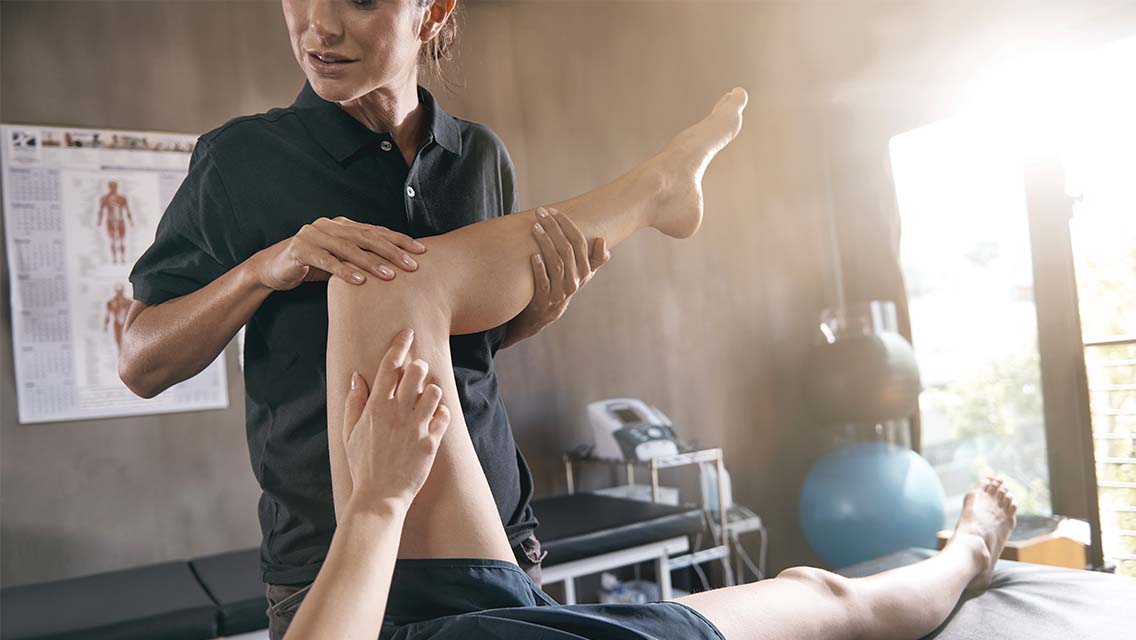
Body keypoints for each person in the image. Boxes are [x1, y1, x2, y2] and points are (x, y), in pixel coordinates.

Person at [297, 85, 1017, 640]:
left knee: (372, 285)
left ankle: (661, 189)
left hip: (394, 616)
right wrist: (379, 500)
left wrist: (380, 505)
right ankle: (970, 556)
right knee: (827, 596)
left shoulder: (473, 154)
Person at [121, 2, 604, 635]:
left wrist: (536, 313)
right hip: (331, 562)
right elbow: (140, 361)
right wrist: (262, 269)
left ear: (432, 13)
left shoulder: (480, 156)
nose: (319, 26)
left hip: (497, 541)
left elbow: (464, 351)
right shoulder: (240, 160)